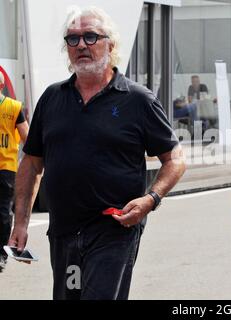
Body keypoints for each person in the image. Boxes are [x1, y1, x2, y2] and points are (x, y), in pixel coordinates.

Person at [8, 6, 186, 299]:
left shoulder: (138, 100)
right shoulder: (52, 98)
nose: (81, 45)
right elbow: (31, 163)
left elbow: (175, 159)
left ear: (111, 44)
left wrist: (150, 200)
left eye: (90, 37)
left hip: (114, 230)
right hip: (65, 232)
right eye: (73, 39)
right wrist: (21, 223)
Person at [0, 71, 29, 273]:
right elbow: (27, 137)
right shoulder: (13, 107)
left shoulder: (14, 107)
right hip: (7, 168)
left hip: (6, 168)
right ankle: (1, 255)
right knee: (2, 213)